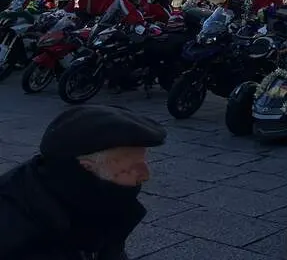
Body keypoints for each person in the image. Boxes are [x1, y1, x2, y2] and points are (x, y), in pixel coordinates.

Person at [0, 105, 166, 260]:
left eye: (143, 162)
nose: (145, 175)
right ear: (86, 169)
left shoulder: (79, 194)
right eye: (129, 169)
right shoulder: (19, 235)